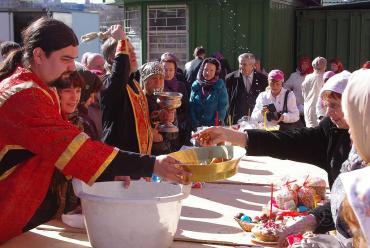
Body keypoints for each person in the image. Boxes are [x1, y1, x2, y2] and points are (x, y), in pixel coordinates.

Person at [0, 17, 190, 244]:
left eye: (73, 59)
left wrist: (108, 171)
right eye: (65, 59)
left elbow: (64, 149)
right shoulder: (24, 95)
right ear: (39, 55)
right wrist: (151, 164)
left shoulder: (42, 89)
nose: (72, 67)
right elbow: (75, 149)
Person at [193, 70, 352, 188]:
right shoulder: (330, 128)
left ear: (355, 105)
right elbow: (287, 142)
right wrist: (229, 135)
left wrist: (316, 219)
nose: (328, 112)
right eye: (326, 105)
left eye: (334, 106)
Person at [226, 52, 268, 125]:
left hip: (257, 120)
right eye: (240, 64)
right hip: (236, 120)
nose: (241, 66)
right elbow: (227, 100)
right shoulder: (230, 78)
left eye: (244, 64)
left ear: (252, 65)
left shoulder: (263, 79)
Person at [189, 57, 229, 129]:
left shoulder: (220, 86)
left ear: (216, 71)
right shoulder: (196, 85)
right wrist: (195, 123)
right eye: (205, 69)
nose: (208, 73)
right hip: (196, 128)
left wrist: (215, 125)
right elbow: (191, 106)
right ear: (202, 70)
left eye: (211, 70)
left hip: (214, 128)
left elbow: (222, 108)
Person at [161, 55, 191, 147]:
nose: (168, 73)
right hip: (161, 128)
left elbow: (186, 108)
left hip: (178, 128)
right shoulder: (158, 85)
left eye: (171, 70)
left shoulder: (180, 86)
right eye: (165, 70)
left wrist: (176, 118)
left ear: (175, 71)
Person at [302, 56, 327, 127]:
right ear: (324, 67)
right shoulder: (325, 78)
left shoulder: (307, 77)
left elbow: (304, 94)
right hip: (320, 111)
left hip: (307, 108)